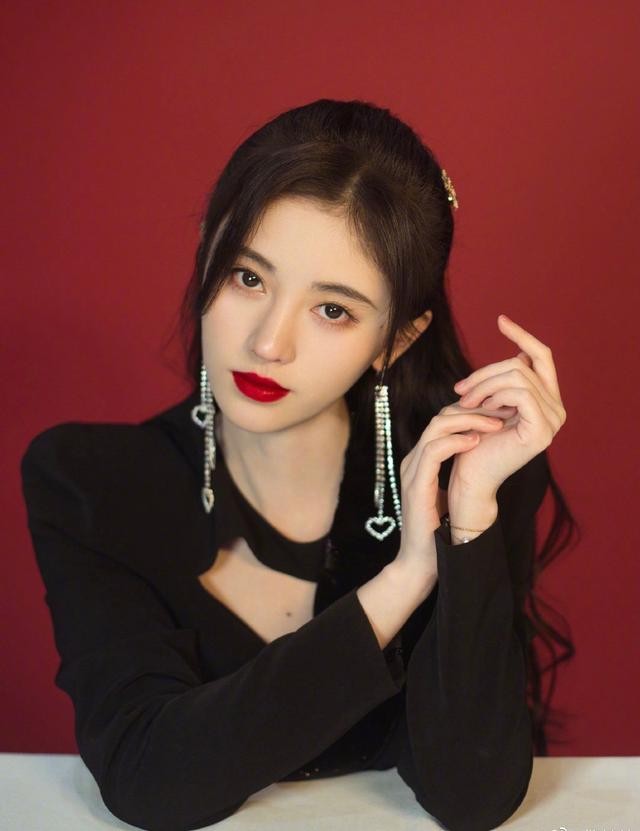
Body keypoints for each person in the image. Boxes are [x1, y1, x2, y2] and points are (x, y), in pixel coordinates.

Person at [20, 98, 577, 831]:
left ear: (396, 340)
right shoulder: (91, 483)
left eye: (333, 310)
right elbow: (147, 778)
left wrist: (464, 523)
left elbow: (472, 795)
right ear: (206, 251)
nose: (268, 343)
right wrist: (404, 580)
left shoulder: (465, 470)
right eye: (248, 277)